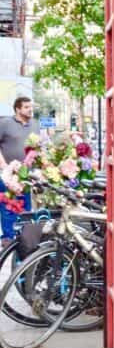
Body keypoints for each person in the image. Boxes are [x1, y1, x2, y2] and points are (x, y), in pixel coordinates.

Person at [0, 96, 38, 245]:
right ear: (18, 109)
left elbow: (38, 148)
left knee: (25, 206)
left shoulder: (35, 124)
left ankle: (23, 237)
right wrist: (3, 166)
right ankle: (9, 238)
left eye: (31, 107)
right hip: (7, 174)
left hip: (27, 174)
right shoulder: (5, 123)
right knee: (8, 205)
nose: (30, 110)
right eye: (27, 107)